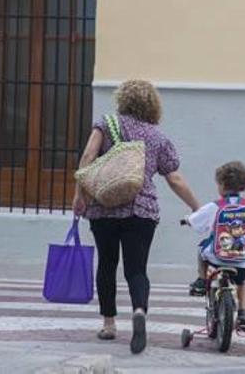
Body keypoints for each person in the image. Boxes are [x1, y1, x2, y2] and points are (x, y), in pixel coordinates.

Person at [72, 79, 200, 354]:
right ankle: (139, 311)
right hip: (141, 211)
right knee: (136, 269)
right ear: (152, 105)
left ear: (122, 101)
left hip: (103, 207)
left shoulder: (105, 124)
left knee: (107, 263)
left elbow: (87, 158)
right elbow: (174, 178)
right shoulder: (157, 137)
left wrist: (79, 195)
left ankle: (108, 324)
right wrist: (196, 206)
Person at [186, 161, 245, 331]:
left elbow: (196, 221)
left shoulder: (215, 207)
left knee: (201, 250)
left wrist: (188, 219)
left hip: (217, 258)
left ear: (222, 185)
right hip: (243, 260)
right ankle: (243, 313)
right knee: (243, 281)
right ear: (243, 185)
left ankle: (202, 280)